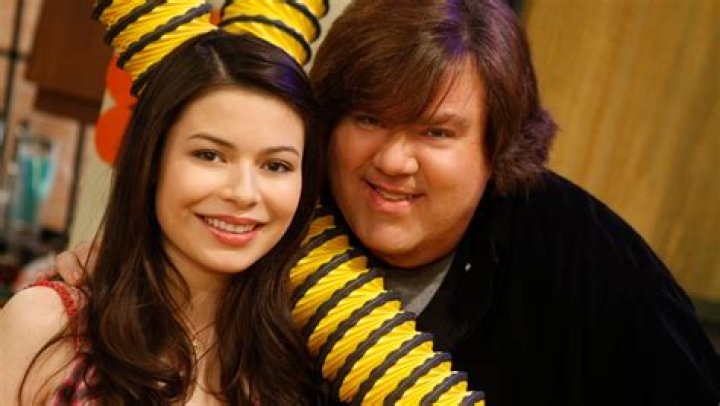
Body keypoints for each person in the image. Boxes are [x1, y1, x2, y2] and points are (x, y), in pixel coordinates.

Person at [52, 0, 720, 405]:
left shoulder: (586, 261)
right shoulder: (277, 223)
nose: (394, 161)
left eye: (437, 132)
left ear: (497, 145)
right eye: (369, 119)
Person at [0, 1, 325, 404]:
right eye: (209, 155)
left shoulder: (301, 369)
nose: (244, 192)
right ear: (153, 159)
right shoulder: (50, 327)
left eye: (276, 166)